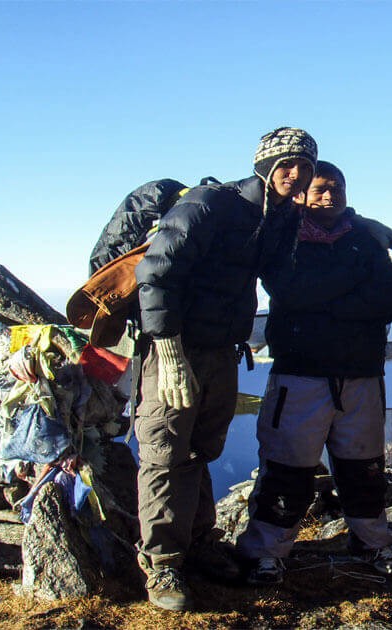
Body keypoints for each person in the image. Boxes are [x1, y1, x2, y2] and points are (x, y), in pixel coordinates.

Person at [133, 127, 318, 611]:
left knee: (199, 450)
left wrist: (361, 227)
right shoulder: (212, 203)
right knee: (164, 452)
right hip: (175, 349)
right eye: (287, 163)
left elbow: (281, 274)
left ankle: (198, 544)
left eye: (305, 166)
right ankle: (162, 564)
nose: (296, 174)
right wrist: (169, 351)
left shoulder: (278, 215)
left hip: (222, 351)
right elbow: (155, 273)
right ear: (264, 164)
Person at [236, 161, 392, 585]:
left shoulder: (366, 239)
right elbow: (290, 291)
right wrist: (351, 288)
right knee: (286, 467)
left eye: (336, 188)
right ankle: (265, 552)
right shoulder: (283, 238)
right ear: (299, 194)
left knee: (364, 466)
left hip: (360, 373)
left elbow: (387, 298)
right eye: (318, 189)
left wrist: (324, 301)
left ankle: (372, 541)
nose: (329, 196)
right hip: (301, 372)